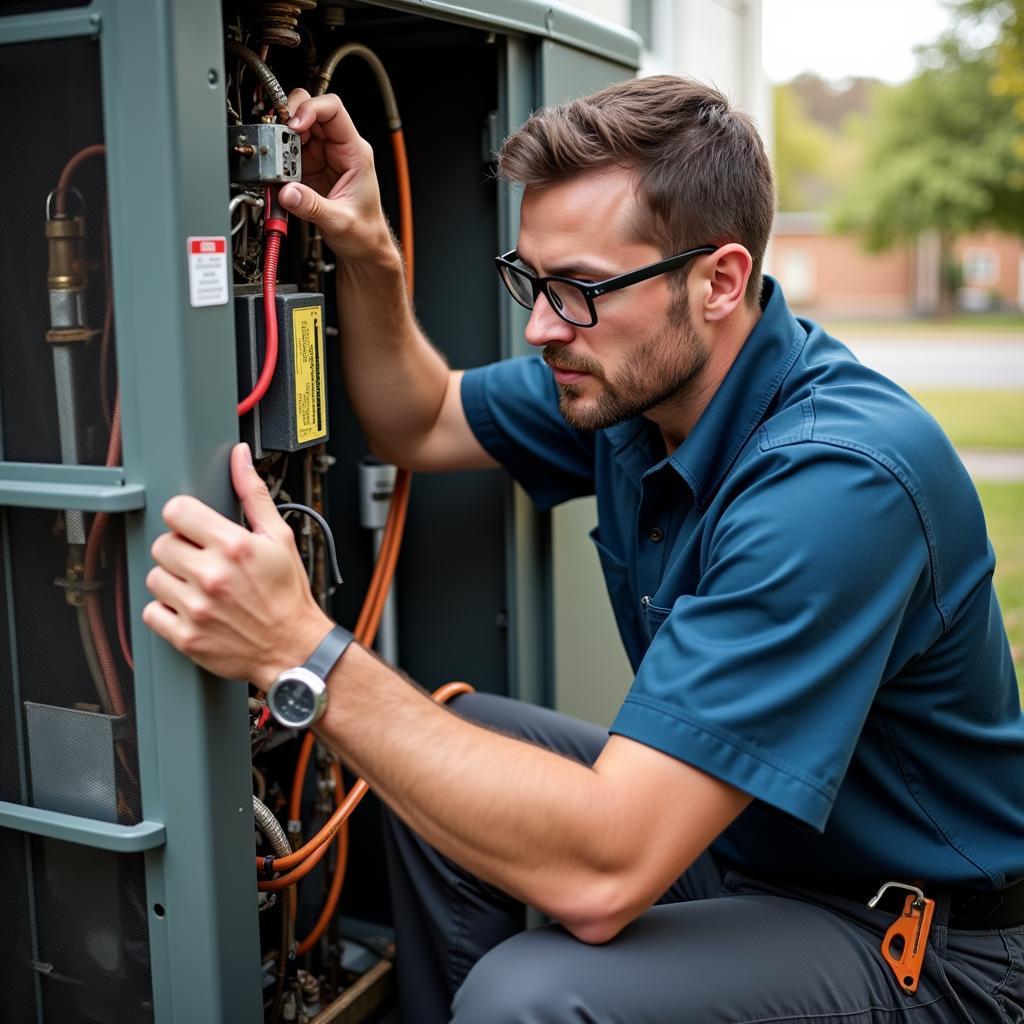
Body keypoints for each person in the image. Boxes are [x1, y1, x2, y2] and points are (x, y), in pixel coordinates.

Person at [144, 76, 1024, 1022]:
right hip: (748, 854)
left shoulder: (840, 483)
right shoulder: (635, 385)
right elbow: (424, 417)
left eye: (581, 290)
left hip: (922, 945)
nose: (540, 326)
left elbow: (604, 874)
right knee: (449, 741)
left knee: (533, 997)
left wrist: (300, 652)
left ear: (720, 280)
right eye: (530, 279)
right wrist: (369, 254)